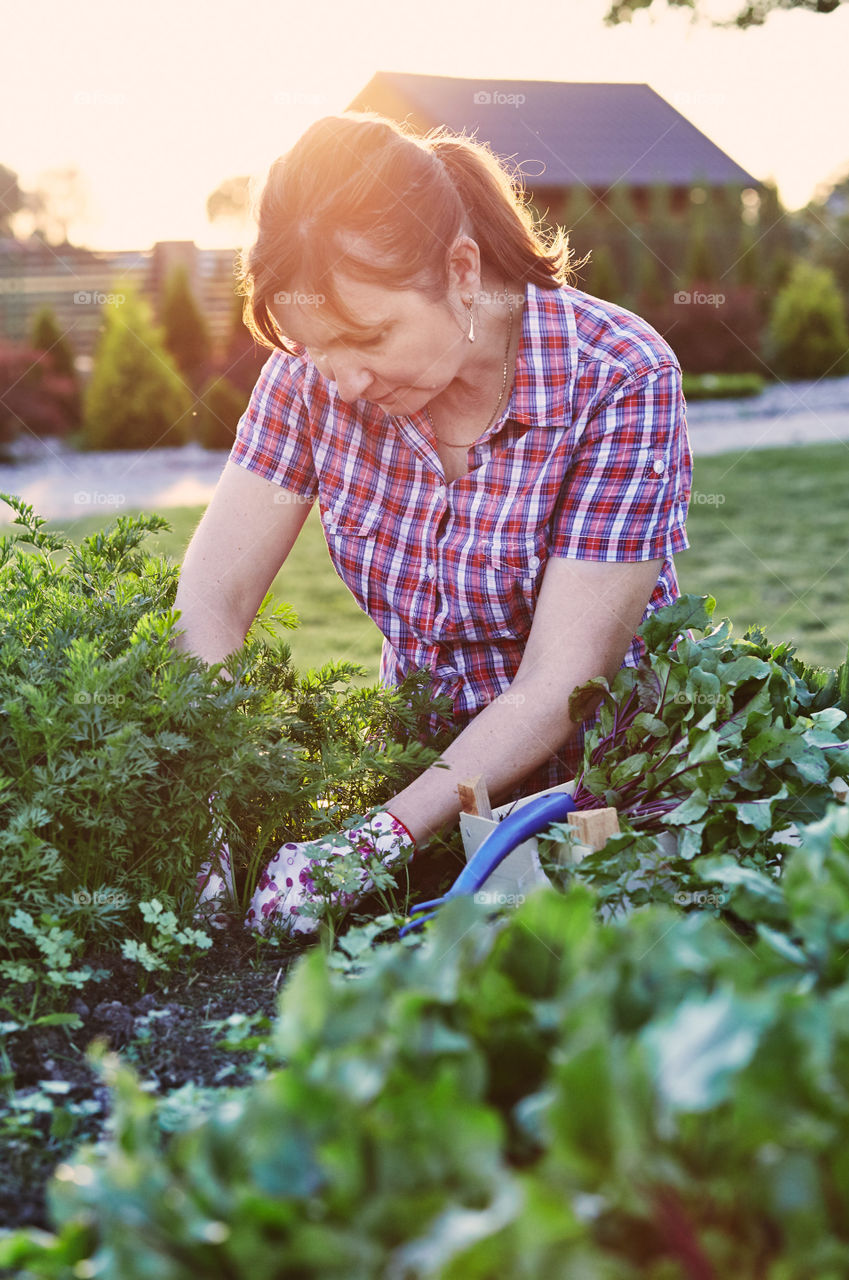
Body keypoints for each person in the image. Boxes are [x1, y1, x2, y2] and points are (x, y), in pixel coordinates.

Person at [175, 111, 693, 936]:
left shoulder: (618, 377)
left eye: (369, 335)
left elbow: (564, 678)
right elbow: (211, 596)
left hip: (600, 799)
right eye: (315, 347)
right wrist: (208, 819)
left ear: (460, 270)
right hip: (412, 777)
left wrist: (374, 839)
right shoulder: (311, 377)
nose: (340, 379)